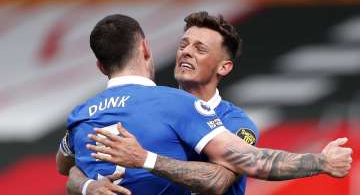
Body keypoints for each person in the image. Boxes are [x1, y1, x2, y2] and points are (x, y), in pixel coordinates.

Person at [57, 13, 352, 195]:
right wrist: (87, 186)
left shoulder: (235, 123)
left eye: (200, 49)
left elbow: (219, 181)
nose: (186, 53)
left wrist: (321, 162)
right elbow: (72, 167)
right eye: (183, 45)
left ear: (223, 67)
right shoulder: (157, 106)